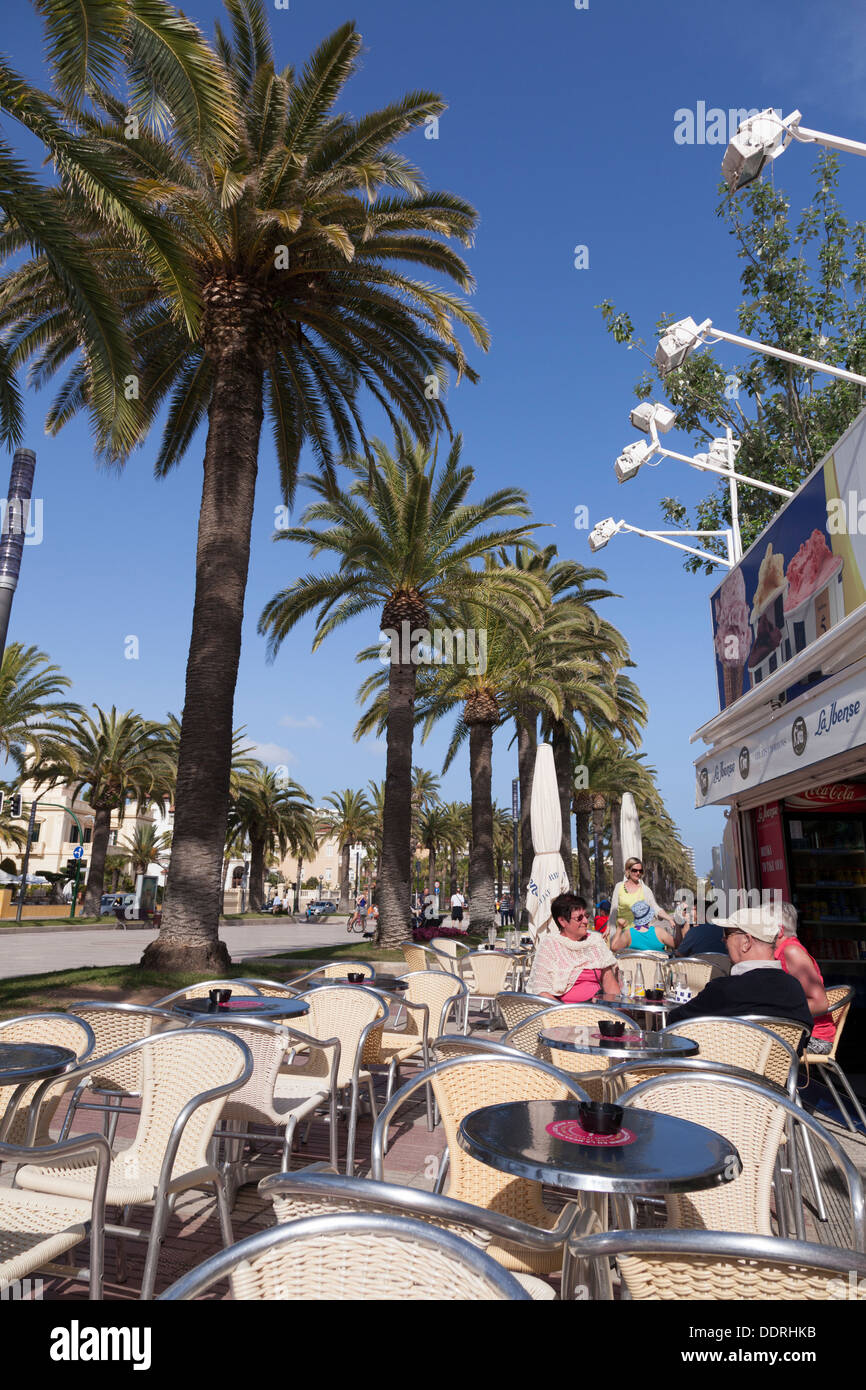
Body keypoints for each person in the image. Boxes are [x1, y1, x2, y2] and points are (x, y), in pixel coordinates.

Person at [665, 906, 812, 1032]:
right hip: (780, 1065)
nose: (723, 940)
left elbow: (675, 1022)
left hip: (724, 1063)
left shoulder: (723, 989)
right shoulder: (795, 989)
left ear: (746, 942)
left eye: (727, 934)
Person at [526, 892, 620, 1002]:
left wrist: (620, 1011)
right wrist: (567, 1012)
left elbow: (610, 985)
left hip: (597, 1011)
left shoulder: (595, 942)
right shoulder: (550, 944)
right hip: (561, 1013)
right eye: (579, 918)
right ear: (562, 921)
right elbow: (541, 991)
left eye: (586, 916)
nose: (585, 921)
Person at [775, 902, 836, 1055]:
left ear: (779, 930)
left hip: (814, 1038)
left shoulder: (791, 951)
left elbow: (820, 1004)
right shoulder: (783, 950)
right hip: (798, 1032)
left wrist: (774, 1009)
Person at [609, 858, 677, 937]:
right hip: (621, 934)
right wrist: (609, 928)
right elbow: (613, 910)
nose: (638, 873)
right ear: (628, 870)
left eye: (640, 871)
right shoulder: (619, 887)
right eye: (635, 870)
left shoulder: (645, 890)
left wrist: (668, 918)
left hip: (639, 934)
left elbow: (655, 908)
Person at [611, 898, 675, 953]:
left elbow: (614, 948)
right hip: (657, 966)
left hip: (635, 967)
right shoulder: (659, 932)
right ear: (649, 917)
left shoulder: (628, 934)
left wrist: (619, 927)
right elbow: (677, 945)